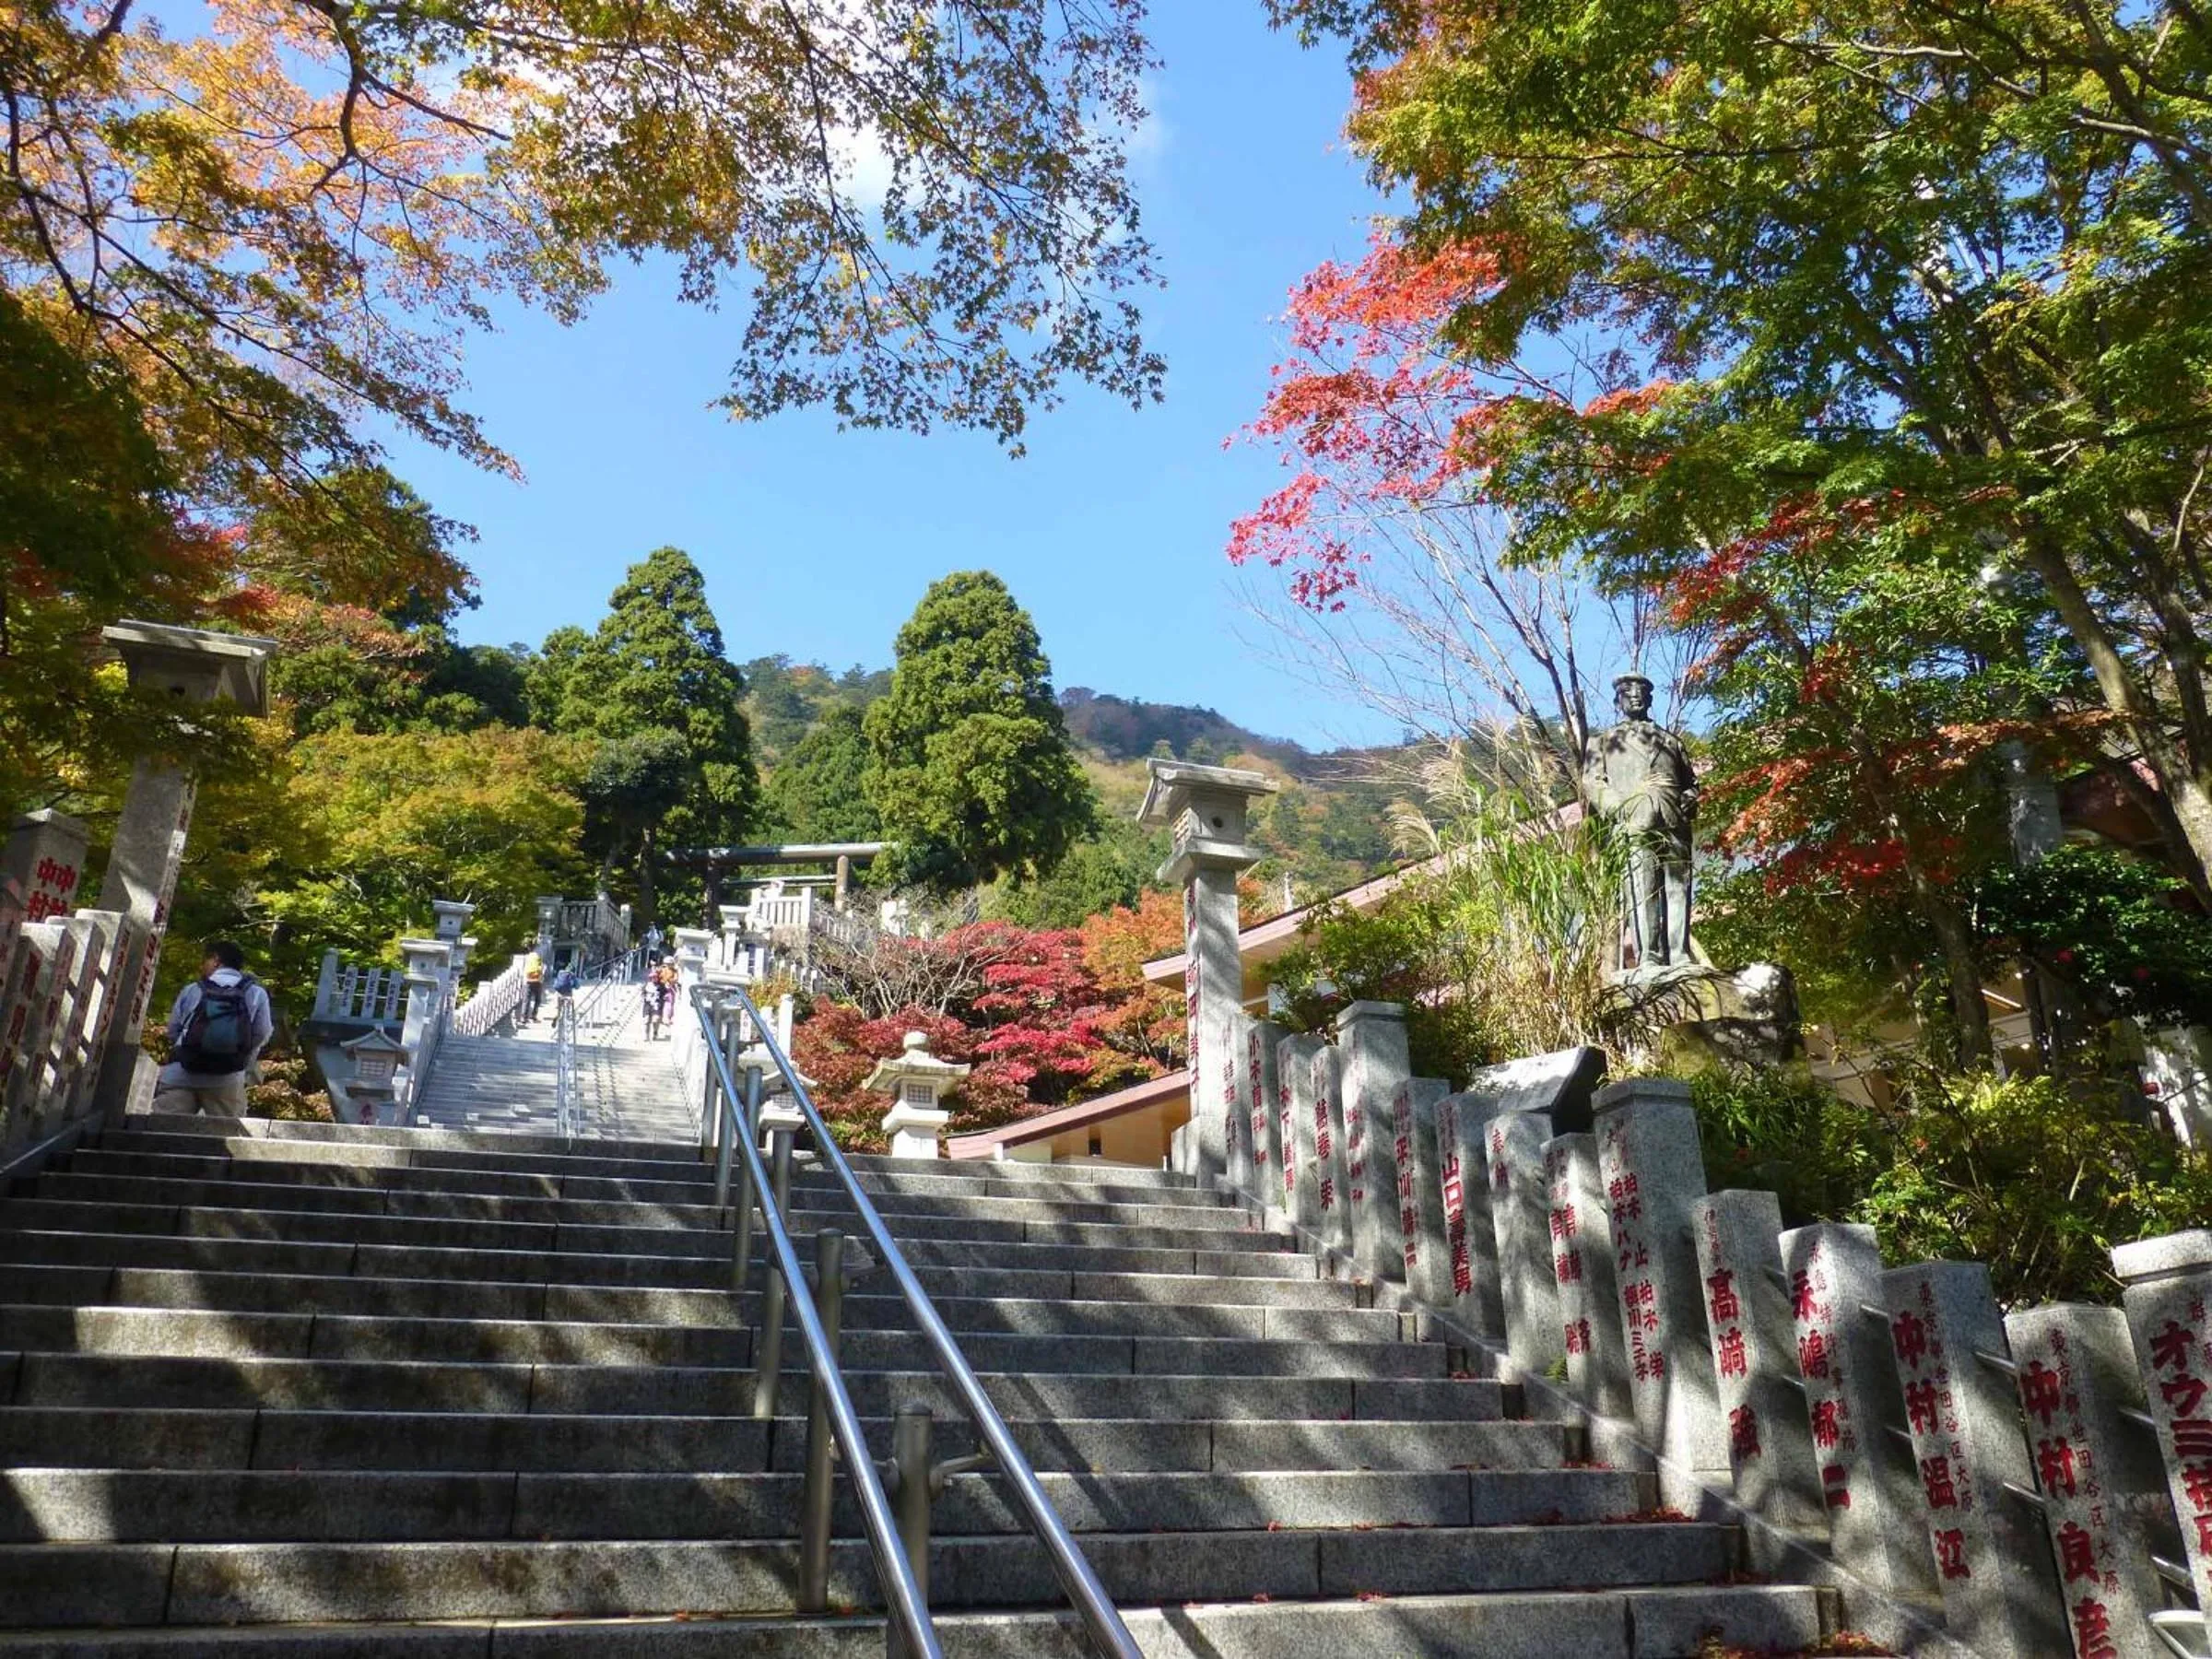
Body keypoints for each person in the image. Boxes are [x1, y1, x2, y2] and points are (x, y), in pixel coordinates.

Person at [1581, 673, 1699, 972]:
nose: (1635, 698)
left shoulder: (1672, 741)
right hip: (1634, 821)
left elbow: (1691, 782)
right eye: (1628, 694)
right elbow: (1593, 782)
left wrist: (1690, 797)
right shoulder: (1603, 741)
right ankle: (1650, 954)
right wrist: (1620, 808)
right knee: (1641, 886)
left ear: (1650, 699)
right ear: (1618, 700)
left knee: (1677, 887)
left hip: (1673, 820)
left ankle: (1680, 952)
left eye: (1641, 694)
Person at [151, 940, 275, 1116]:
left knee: (163, 1132)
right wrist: (239, 1053)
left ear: (216, 960)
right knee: (225, 1134)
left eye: (205, 961)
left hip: (182, 1073)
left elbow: (173, 1030)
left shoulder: (192, 989)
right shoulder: (256, 993)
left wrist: (190, 1049)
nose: (202, 966)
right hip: (227, 1079)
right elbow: (262, 1032)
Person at [523, 949, 545, 1023]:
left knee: (526, 1000)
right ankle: (533, 1016)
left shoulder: (527, 959)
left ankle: (524, 1017)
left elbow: (524, 971)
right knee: (537, 1000)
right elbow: (542, 971)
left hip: (528, 981)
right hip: (538, 982)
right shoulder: (539, 960)